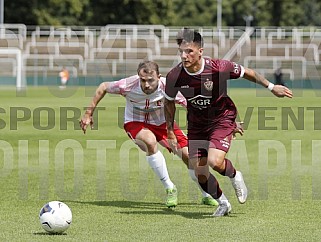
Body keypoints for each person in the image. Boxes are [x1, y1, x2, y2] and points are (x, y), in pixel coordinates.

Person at [164, 28, 293, 216]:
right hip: (196, 124)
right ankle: (223, 203)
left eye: (189, 51)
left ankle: (234, 175)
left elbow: (247, 72)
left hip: (222, 118)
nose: (184, 56)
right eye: (181, 52)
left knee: (215, 161)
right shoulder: (174, 76)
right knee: (199, 171)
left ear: (200, 51)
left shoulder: (218, 68)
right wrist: (169, 130)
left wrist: (272, 87)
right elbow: (168, 102)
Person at [80, 61, 223, 208]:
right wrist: (88, 113)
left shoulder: (169, 87)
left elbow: (193, 105)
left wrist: (220, 123)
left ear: (159, 77)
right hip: (135, 122)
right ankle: (170, 187)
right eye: (143, 80)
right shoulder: (127, 85)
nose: (146, 85)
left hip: (163, 124)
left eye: (150, 80)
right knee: (149, 141)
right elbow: (103, 87)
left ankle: (205, 194)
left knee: (191, 158)